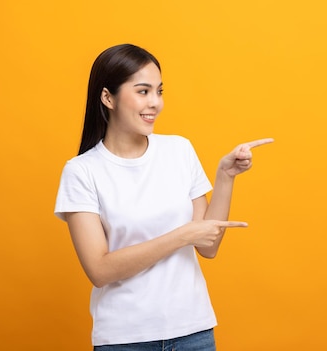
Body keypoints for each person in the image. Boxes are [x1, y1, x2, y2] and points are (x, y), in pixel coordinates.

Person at [54, 43, 272, 350]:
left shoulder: (179, 150)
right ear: (108, 97)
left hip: (193, 331)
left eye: (159, 91)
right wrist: (181, 236)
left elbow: (208, 246)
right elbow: (99, 270)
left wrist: (225, 177)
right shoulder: (82, 172)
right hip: (126, 339)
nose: (155, 102)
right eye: (143, 91)